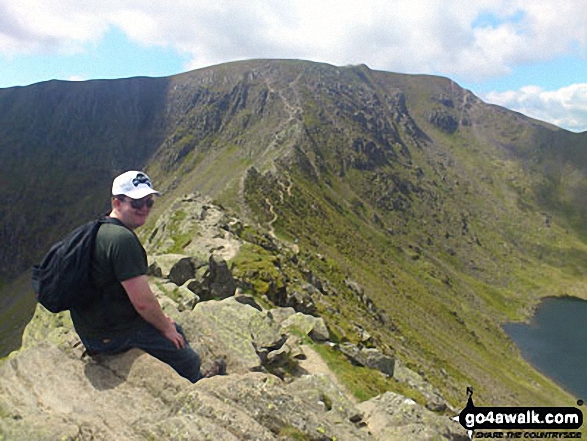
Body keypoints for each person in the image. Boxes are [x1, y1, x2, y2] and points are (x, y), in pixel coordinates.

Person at [70, 170, 225, 382]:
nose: (144, 209)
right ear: (117, 202)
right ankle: (200, 384)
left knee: (173, 327)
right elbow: (143, 303)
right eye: (136, 203)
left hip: (93, 328)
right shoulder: (122, 240)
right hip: (109, 335)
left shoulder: (100, 227)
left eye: (148, 203)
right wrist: (165, 328)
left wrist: (162, 322)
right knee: (182, 352)